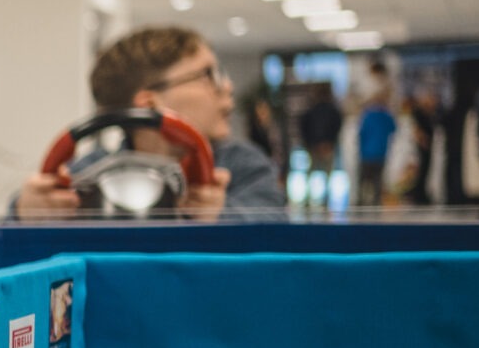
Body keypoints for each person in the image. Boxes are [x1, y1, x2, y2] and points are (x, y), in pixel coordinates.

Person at [15, 25, 286, 221]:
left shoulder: (241, 165)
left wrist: (220, 215)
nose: (227, 86)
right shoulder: (89, 172)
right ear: (150, 104)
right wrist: (25, 211)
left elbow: (276, 229)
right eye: (207, 75)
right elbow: (13, 221)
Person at [354, 60, 398, 209]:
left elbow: (361, 134)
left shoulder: (368, 115)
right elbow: (394, 129)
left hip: (366, 154)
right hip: (381, 153)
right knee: (377, 182)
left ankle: (361, 204)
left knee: (364, 181)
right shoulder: (386, 115)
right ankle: (375, 205)